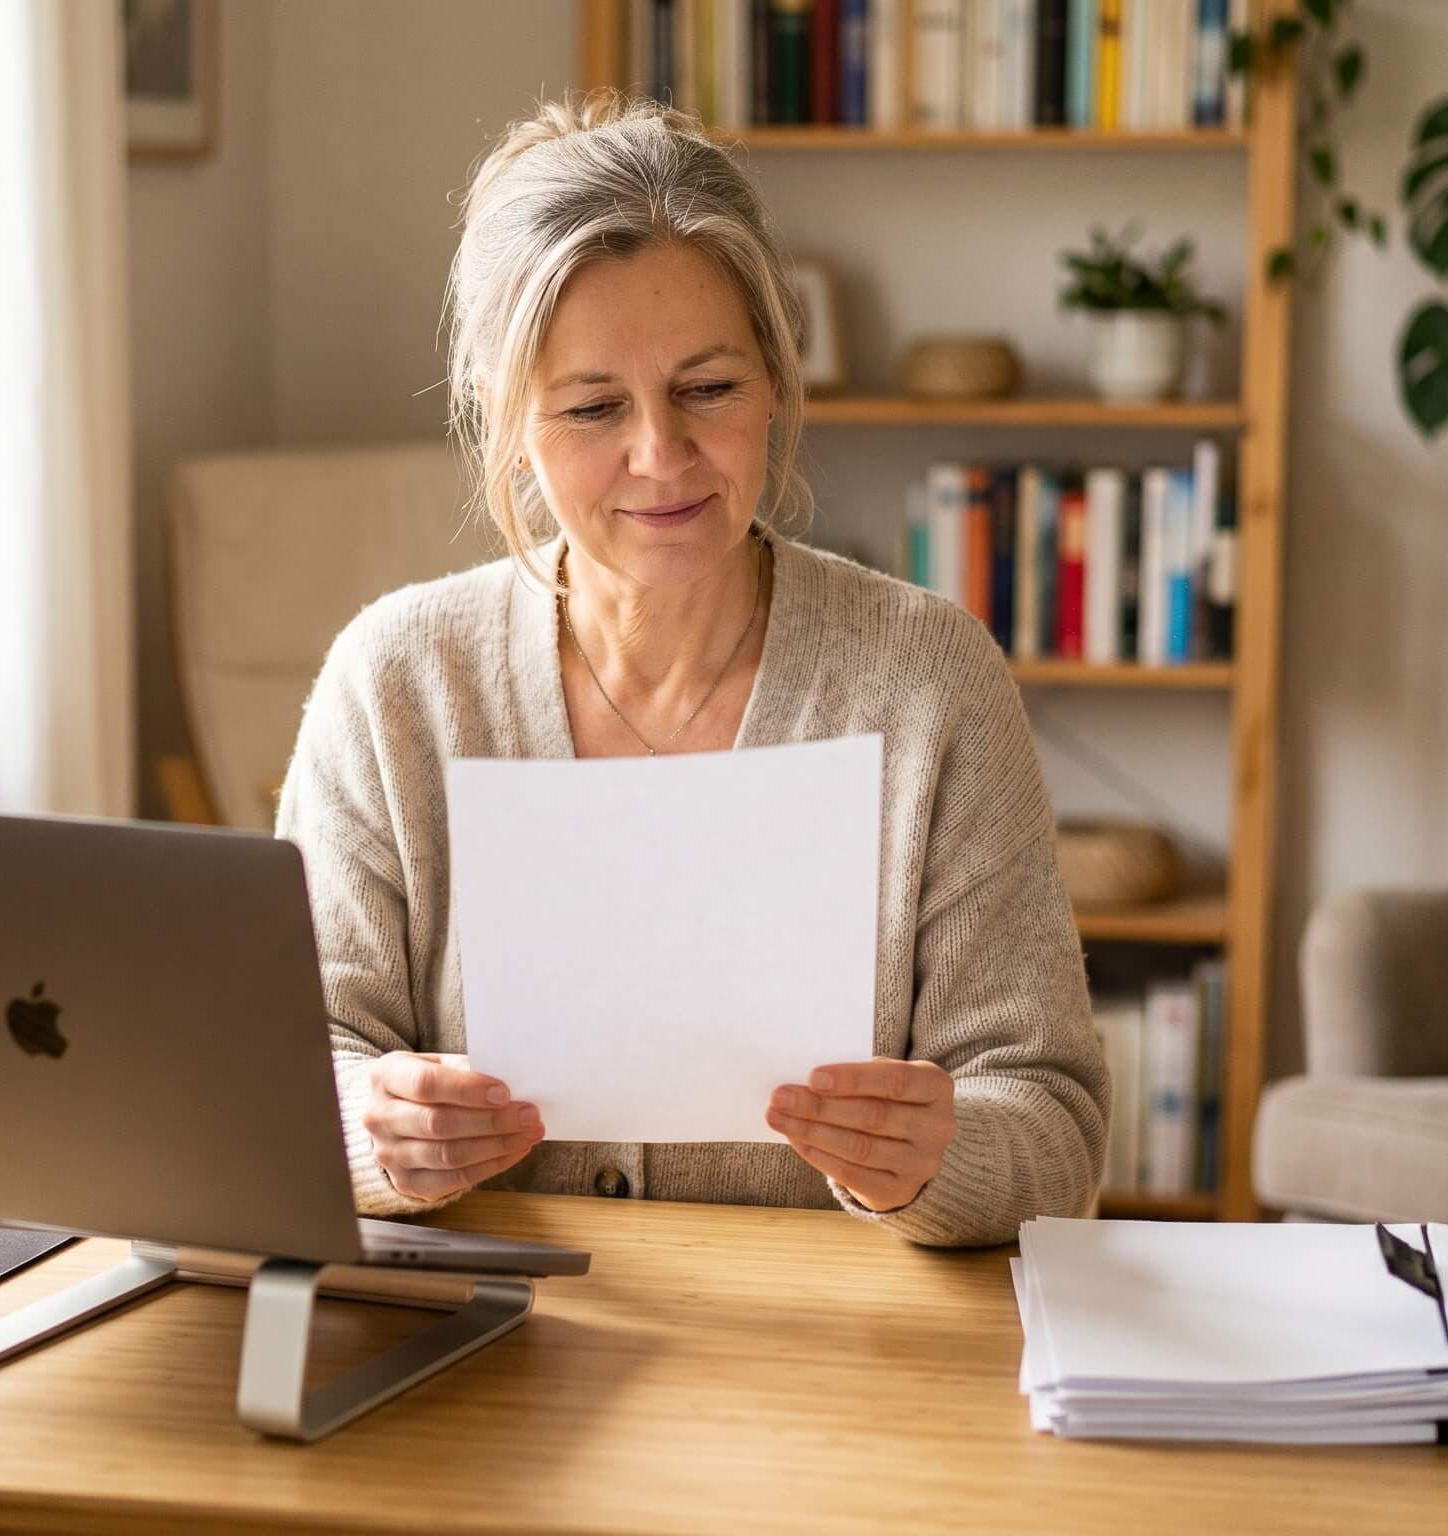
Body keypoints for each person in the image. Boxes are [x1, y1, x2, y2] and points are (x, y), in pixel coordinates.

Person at [273, 93, 1105, 1247]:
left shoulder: (927, 680)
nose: (660, 457)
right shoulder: (397, 683)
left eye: (707, 389)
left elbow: (1052, 1121)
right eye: (591, 407)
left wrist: (938, 1156)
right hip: (494, 1358)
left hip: (829, 1366)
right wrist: (375, 1124)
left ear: (775, 376)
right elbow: (289, 1062)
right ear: (505, 417)